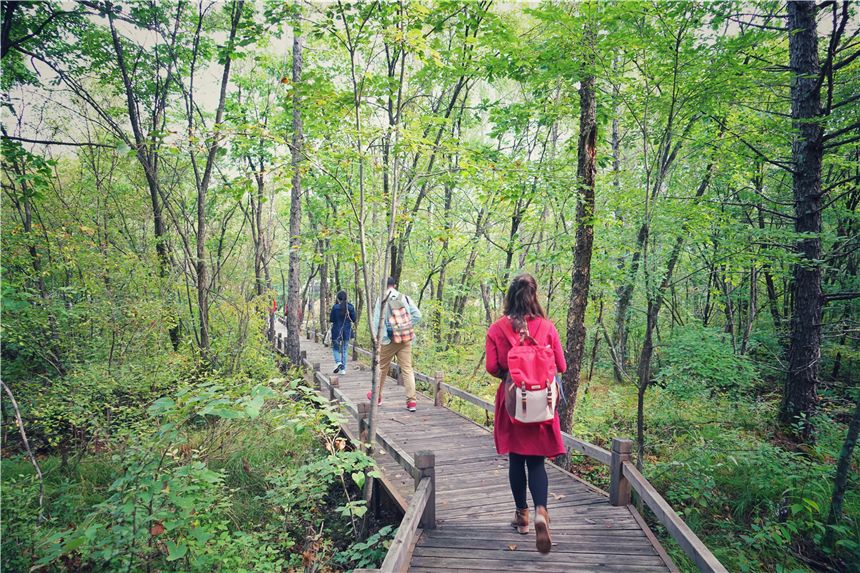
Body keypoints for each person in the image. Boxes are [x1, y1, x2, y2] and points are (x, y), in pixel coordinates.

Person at [485, 273, 566, 554]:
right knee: (537, 463)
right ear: (535, 295)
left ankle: (522, 517)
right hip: (541, 405)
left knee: (516, 461)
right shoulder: (547, 326)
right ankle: (542, 510)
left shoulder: (497, 328)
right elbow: (562, 366)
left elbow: (493, 366)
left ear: (509, 296)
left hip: (513, 403)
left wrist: (512, 375)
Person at [370, 277, 422, 411]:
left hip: (388, 340)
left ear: (383, 286)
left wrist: (380, 339)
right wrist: (405, 327)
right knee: (407, 369)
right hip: (405, 339)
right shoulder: (405, 298)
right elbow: (418, 315)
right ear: (395, 285)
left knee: (382, 368)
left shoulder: (381, 299)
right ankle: (411, 402)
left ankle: (377, 397)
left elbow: (377, 321)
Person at [329, 290, 357, 374]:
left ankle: (338, 362)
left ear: (338, 298)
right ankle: (343, 369)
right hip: (347, 331)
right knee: (344, 350)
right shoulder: (350, 307)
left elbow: (331, 319)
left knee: (335, 349)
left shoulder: (335, 307)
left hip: (336, 331)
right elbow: (354, 319)